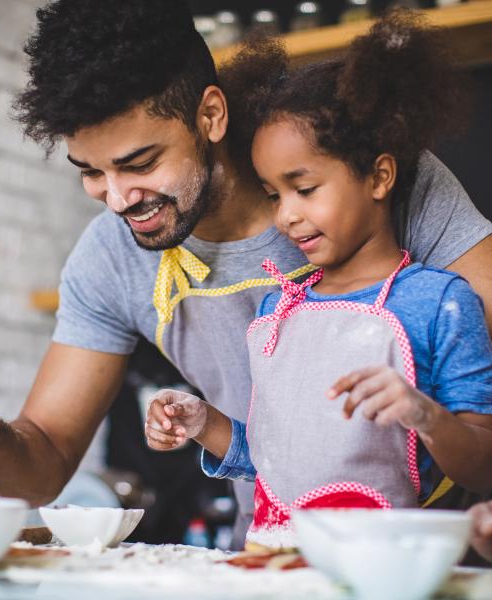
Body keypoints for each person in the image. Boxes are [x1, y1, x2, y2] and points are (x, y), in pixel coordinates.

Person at [0, 1, 491, 550]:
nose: (118, 199)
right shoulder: (110, 257)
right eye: (91, 172)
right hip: (268, 552)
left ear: (209, 114)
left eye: (140, 163)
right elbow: (44, 463)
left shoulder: (359, 177)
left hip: (433, 557)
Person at [145, 12, 492, 550]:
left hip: (375, 569)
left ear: (379, 177)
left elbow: (483, 467)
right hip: (270, 560)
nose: (285, 215)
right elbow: (270, 461)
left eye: (303, 188)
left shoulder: (439, 302)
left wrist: (424, 414)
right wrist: (204, 422)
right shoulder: (277, 311)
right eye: (273, 194)